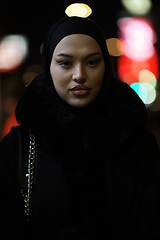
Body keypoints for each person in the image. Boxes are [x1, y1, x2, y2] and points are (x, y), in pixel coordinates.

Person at [0, 16, 160, 240]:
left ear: (106, 65)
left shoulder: (141, 145)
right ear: (49, 66)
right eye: (65, 63)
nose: (79, 75)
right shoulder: (18, 147)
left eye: (92, 62)